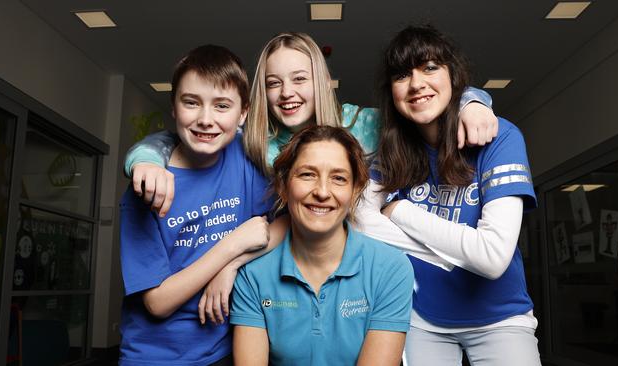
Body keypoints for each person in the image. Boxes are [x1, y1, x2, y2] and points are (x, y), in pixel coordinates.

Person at [122, 32, 498, 217]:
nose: (287, 93)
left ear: (319, 80)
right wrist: (146, 161)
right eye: (273, 83)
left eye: (299, 79)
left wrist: (473, 100)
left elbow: (419, 101)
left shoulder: (362, 123)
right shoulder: (254, 139)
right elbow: (178, 137)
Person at [355, 25, 541, 365]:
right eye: (402, 75)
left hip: (500, 316)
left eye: (429, 68)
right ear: (391, 92)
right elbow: (362, 223)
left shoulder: (499, 138)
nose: (416, 84)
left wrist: (400, 212)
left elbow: (492, 257)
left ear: (453, 76)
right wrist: (454, 253)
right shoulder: (389, 154)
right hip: (421, 319)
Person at [118, 45, 285, 366]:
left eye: (222, 106)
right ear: (174, 106)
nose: (206, 120)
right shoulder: (147, 186)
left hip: (227, 349)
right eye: (191, 103)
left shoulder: (245, 159)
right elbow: (157, 302)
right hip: (157, 357)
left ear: (244, 113)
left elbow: (287, 221)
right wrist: (231, 246)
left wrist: (231, 266)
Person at [230, 125, 414, 366]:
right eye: (307, 174)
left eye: (338, 178)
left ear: (355, 190)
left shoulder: (391, 269)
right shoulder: (253, 275)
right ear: (283, 187)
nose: (322, 192)